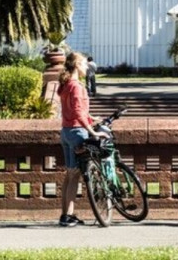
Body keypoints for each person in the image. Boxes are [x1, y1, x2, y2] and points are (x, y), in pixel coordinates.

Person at [57, 51, 105, 227]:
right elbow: (77, 112)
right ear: (77, 65)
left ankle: (65, 215)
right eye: (84, 64)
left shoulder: (66, 85)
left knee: (69, 174)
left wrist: (92, 118)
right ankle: (68, 216)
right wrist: (93, 131)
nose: (87, 67)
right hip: (78, 133)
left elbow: (74, 110)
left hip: (66, 132)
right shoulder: (77, 86)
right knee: (75, 175)